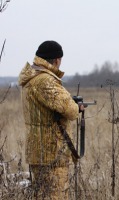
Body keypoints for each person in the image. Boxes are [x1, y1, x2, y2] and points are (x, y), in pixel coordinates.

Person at [18, 41, 83, 199]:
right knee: (56, 195)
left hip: (37, 150)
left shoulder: (31, 78)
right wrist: (76, 106)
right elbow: (71, 111)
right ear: (56, 60)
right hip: (52, 151)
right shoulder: (46, 81)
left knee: (41, 195)